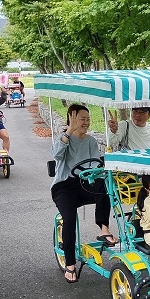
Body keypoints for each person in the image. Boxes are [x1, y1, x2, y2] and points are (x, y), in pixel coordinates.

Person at [51, 104, 117, 283]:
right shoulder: (63, 139)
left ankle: (104, 229)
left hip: (85, 182)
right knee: (70, 219)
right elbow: (56, 155)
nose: (86, 122)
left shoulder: (91, 141)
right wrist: (68, 132)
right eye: (82, 119)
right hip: (63, 186)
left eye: (88, 119)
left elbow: (95, 164)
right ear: (71, 119)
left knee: (105, 187)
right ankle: (70, 265)